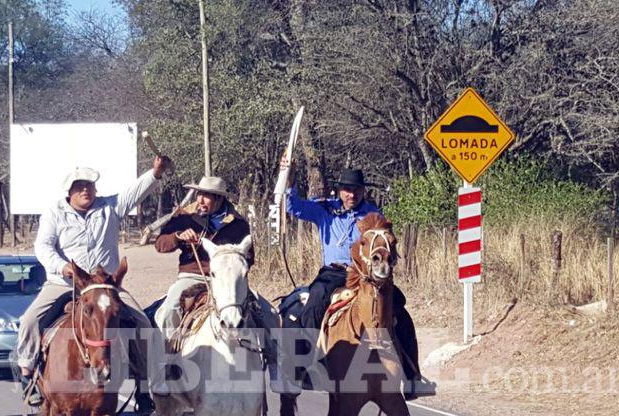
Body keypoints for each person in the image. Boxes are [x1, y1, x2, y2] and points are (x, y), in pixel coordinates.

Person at [15, 157, 170, 409]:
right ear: (70, 192)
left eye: (89, 185)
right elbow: (42, 247)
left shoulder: (109, 207)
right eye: (79, 187)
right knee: (29, 320)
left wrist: (154, 173)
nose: (85, 190)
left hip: (105, 286)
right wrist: (62, 266)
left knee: (141, 321)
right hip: (65, 283)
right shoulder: (54, 214)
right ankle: (26, 375)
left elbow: (134, 192)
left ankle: (143, 386)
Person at [283, 162, 434, 400]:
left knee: (400, 313)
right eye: (346, 189)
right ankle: (306, 368)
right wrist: (289, 180)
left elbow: (386, 247)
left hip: (365, 275)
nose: (351, 194)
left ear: (363, 191)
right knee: (312, 306)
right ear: (339, 191)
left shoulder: (374, 216)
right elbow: (293, 207)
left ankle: (412, 375)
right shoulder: (325, 210)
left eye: (355, 190)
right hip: (334, 274)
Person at [153, 176, 278, 391]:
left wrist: (232, 256)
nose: (201, 200)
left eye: (207, 196)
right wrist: (178, 236)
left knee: (269, 313)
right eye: (200, 194)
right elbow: (160, 244)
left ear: (220, 199)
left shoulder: (237, 224)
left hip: (228, 280)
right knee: (169, 309)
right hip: (192, 276)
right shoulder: (185, 216)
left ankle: (276, 366)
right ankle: (168, 364)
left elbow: (250, 257)